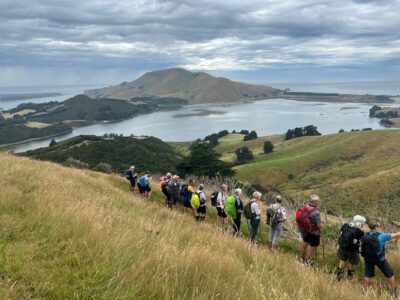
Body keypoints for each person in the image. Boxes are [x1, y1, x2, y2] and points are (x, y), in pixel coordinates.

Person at [362, 220, 400, 297]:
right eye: (379, 226)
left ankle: (365, 291)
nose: (380, 227)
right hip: (380, 259)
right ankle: (394, 293)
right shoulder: (382, 236)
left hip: (368, 258)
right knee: (390, 274)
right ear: (376, 227)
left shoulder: (366, 235)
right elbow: (396, 235)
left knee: (367, 275)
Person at [335, 215, 366, 281]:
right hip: (352, 250)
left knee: (341, 262)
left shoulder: (345, 225)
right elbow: (362, 241)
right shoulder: (360, 232)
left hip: (342, 247)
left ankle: (339, 278)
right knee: (351, 264)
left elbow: (341, 234)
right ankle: (349, 279)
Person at [298, 195, 324, 266]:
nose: (319, 202)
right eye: (318, 201)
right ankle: (308, 262)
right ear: (314, 202)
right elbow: (319, 225)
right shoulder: (316, 212)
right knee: (312, 246)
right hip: (313, 232)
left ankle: (301, 258)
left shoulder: (305, 207)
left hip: (304, 229)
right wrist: (322, 224)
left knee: (305, 242)